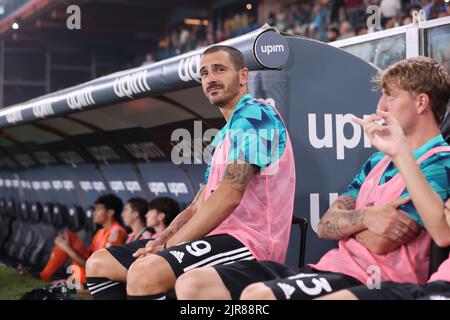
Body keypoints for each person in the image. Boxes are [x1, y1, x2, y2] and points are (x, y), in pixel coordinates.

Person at [173, 56, 450, 300]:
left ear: (421, 102)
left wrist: (351, 225)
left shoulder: (438, 161)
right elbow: (325, 225)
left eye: (390, 95)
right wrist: (366, 218)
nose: (380, 105)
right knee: (194, 285)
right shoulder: (378, 160)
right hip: (331, 265)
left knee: (258, 296)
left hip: (374, 280)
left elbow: (382, 241)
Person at [86, 45, 296, 300]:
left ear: (243, 76)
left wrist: (168, 247)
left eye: (220, 69)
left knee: (144, 273)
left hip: (249, 244)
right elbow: (198, 205)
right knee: (99, 264)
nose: (211, 78)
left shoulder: (257, 114)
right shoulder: (224, 135)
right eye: (205, 73)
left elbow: (230, 194)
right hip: (214, 238)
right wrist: (160, 238)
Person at [19, 194, 127, 286]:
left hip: (100, 279)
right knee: (68, 237)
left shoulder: (117, 233)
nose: (94, 212)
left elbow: (100, 268)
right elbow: (88, 260)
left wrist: (66, 248)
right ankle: (47, 277)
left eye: (98, 209)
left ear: (110, 213)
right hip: (89, 271)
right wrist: (66, 247)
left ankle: (52, 279)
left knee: (66, 243)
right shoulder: (100, 232)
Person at [85, 197, 180, 299]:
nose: (146, 215)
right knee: (95, 264)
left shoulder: (132, 234)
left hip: (152, 275)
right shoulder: (129, 236)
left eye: (126, 210)